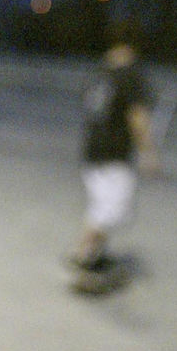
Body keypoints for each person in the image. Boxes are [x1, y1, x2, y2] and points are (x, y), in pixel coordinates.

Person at [69, 35, 159, 272]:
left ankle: (94, 253)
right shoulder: (130, 75)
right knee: (110, 209)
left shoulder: (100, 74)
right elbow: (137, 116)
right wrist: (148, 153)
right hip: (114, 153)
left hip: (93, 151)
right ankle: (83, 256)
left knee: (103, 205)